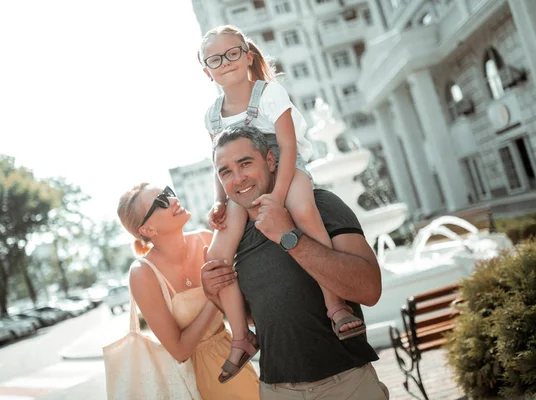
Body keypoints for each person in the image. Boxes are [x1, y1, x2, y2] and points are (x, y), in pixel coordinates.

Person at [198, 24, 365, 383]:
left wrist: (277, 195)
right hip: (242, 184)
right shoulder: (211, 114)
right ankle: (242, 338)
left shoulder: (270, 93)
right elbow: (220, 162)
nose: (224, 62)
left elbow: (288, 147)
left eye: (232, 53)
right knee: (216, 255)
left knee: (304, 212)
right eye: (215, 59)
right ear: (205, 68)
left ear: (247, 55)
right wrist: (218, 200)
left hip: (285, 169)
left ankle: (335, 304)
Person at [201, 125, 389, 399]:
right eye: (226, 171)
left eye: (245, 163)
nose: (238, 178)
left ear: (270, 160)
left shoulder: (320, 205)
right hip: (277, 390)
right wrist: (213, 292)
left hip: (347, 384)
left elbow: (370, 290)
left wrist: (290, 237)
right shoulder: (232, 236)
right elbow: (260, 317)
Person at [116, 183, 259, 400]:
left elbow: (246, 314)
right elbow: (180, 351)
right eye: (161, 202)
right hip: (196, 380)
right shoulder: (142, 273)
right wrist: (212, 299)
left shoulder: (207, 239)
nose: (173, 200)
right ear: (147, 230)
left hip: (234, 357)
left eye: (168, 193)